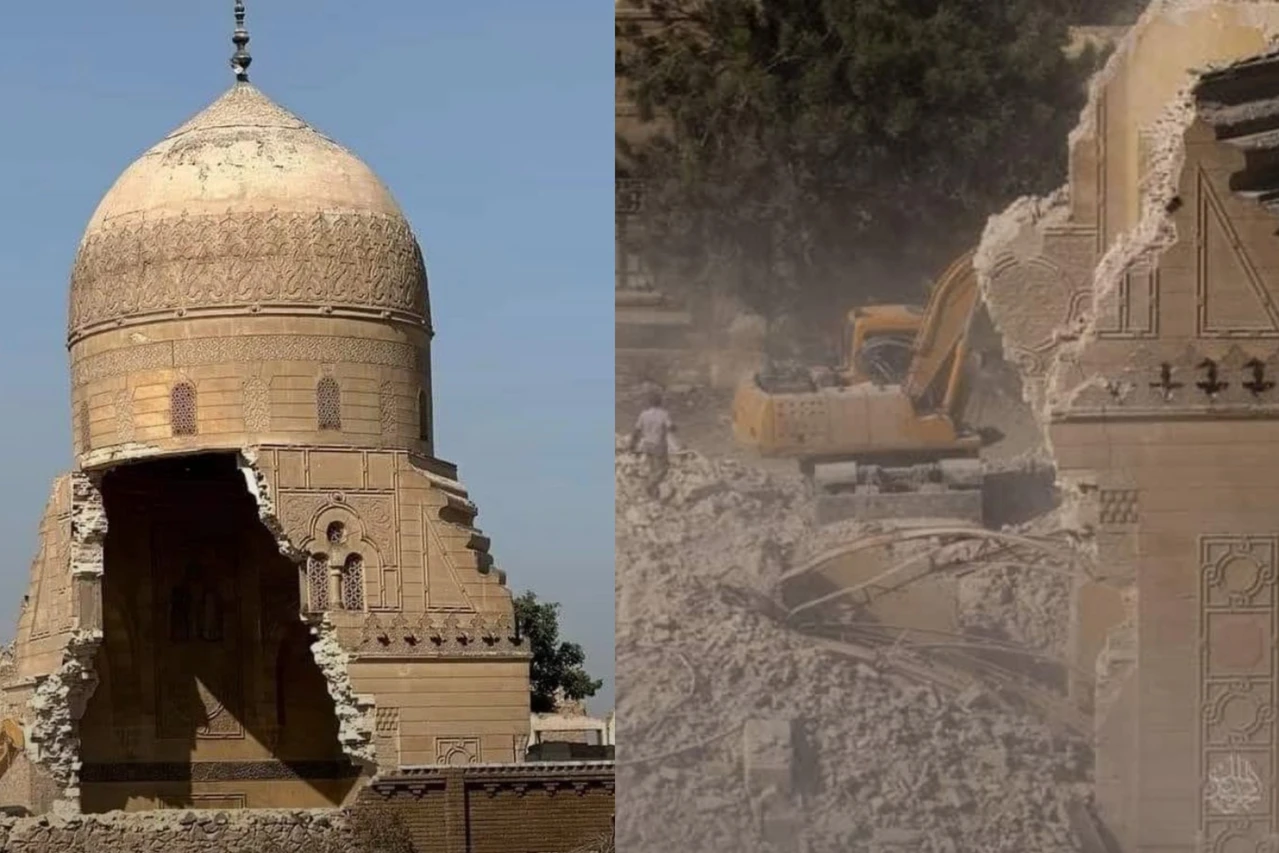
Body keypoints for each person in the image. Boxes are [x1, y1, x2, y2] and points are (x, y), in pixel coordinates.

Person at [629, 389, 676, 496]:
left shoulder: (644, 414)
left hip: (647, 445)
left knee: (652, 469)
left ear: (649, 402)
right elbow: (670, 427)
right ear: (660, 402)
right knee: (663, 469)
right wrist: (674, 428)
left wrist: (632, 444)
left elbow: (636, 430)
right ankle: (650, 485)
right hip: (658, 445)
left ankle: (653, 495)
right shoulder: (664, 414)